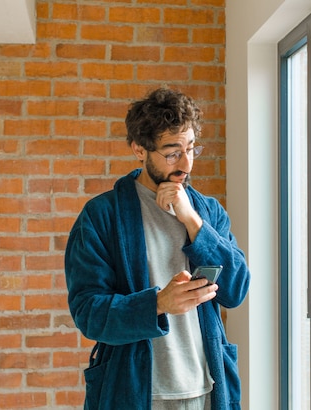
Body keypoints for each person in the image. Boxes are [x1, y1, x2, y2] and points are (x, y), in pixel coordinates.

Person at [64, 88, 251, 410]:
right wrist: (158, 303)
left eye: (191, 148)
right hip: (135, 391)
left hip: (205, 388)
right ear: (140, 149)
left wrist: (193, 222)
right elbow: (88, 313)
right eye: (172, 152)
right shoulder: (102, 216)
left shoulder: (207, 212)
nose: (186, 163)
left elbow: (235, 290)